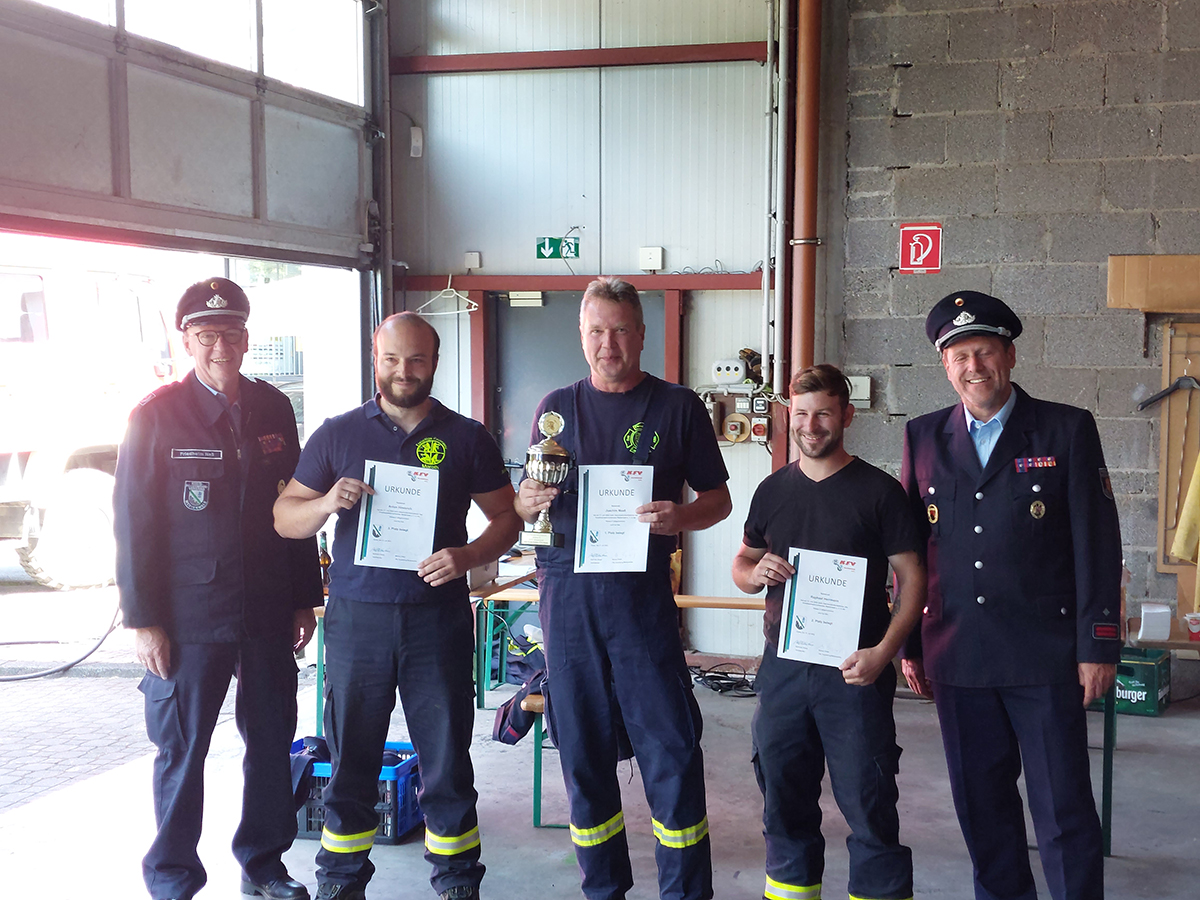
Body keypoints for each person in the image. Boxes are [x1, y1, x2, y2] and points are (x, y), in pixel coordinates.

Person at [273, 312, 521, 900]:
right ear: (374, 357)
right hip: (359, 619)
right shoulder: (337, 434)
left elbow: (507, 520)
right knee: (351, 762)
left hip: (437, 619)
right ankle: (340, 882)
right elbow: (285, 518)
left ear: (434, 362)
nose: (403, 371)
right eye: (391, 359)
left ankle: (458, 883)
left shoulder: (467, 437)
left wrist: (466, 556)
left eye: (416, 360)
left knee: (447, 765)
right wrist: (328, 502)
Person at [900, 291, 1123, 900]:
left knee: (1063, 810)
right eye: (960, 355)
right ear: (945, 366)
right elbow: (913, 552)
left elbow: (1097, 544)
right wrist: (909, 643)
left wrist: (1098, 645)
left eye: (985, 352)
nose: (974, 367)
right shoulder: (923, 436)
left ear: (1011, 355)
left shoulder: (1065, 427)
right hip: (958, 656)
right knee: (983, 810)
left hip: (1045, 657)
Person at [514, 277, 732, 900]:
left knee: (670, 748)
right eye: (595, 331)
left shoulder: (677, 406)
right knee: (581, 751)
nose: (608, 344)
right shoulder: (555, 407)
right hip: (568, 600)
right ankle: (603, 889)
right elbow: (527, 499)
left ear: (641, 335)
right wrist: (526, 501)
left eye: (620, 331)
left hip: (641, 603)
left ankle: (685, 893)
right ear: (580, 336)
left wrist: (680, 518)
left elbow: (718, 499)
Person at [114, 277, 323, 900]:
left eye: (231, 334)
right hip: (187, 616)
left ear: (247, 337)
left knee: (269, 742)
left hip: (263, 608)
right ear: (186, 341)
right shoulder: (154, 415)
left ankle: (264, 866)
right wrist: (143, 619)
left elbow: (298, 503)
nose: (220, 347)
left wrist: (301, 597)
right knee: (182, 752)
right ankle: (173, 877)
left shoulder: (273, 408)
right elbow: (133, 524)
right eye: (207, 336)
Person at [731, 364, 925, 900]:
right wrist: (755, 574)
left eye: (822, 413)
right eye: (800, 414)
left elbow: (913, 581)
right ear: (788, 418)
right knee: (783, 803)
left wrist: (885, 653)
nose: (810, 425)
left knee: (870, 804)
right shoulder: (772, 491)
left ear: (846, 415)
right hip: (784, 674)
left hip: (855, 676)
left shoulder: (880, 492)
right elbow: (742, 564)